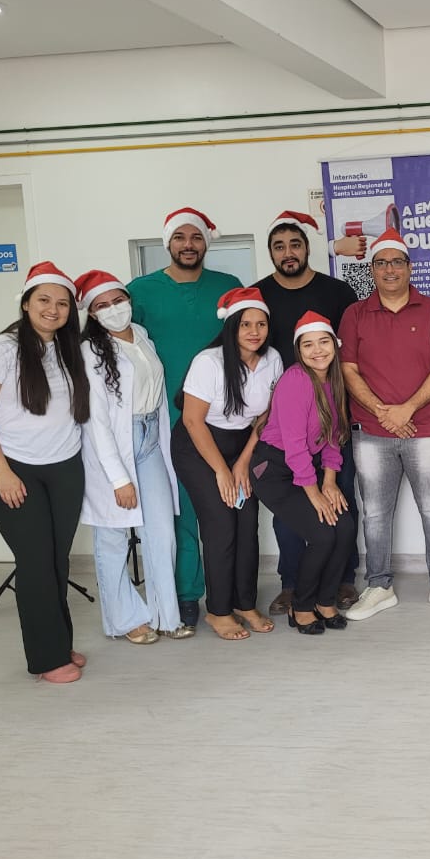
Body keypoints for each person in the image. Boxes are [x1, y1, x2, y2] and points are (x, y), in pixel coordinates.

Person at [0, 262, 91, 683]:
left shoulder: (68, 348)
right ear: (25, 303)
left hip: (64, 468)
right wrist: (2, 473)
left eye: (62, 303)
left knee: (56, 562)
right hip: (14, 470)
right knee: (35, 563)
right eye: (44, 300)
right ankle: (46, 660)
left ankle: (58, 644)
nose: (53, 309)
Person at [338, 229, 430, 618]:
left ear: (410, 268)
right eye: (381, 263)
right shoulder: (354, 314)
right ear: (372, 270)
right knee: (376, 512)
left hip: (426, 427)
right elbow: (348, 369)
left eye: (397, 262)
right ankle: (379, 587)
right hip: (371, 431)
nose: (390, 270)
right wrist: (383, 411)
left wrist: (407, 409)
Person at [128, 207, 242, 633]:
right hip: (166, 418)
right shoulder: (141, 291)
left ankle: (228, 595)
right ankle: (187, 594)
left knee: (225, 510)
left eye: (195, 237)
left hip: (224, 417)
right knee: (181, 510)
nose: (188, 245)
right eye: (180, 237)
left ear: (205, 243)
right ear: (168, 244)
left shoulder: (227, 286)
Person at [253, 210, 361, 615]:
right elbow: (241, 343)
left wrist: (325, 481)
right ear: (271, 252)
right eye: (279, 246)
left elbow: (355, 345)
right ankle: (293, 585)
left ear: (307, 248)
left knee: (340, 501)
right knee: (296, 514)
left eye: (295, 244)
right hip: (286, 432)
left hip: (328, 422)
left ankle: (340, 581)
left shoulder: (337, 291)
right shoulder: (259, 294)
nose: (288, 252)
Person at [75, 270, 186, 646]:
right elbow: (96, 421)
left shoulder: (141, 335)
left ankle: (165, 615)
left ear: (128, 300)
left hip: (150, 439)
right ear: (92, 313)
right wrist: (119, 478)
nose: (113, 309)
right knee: (113, 537)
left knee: (161, 532)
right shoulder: (89, 352)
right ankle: (125, 620)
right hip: (112, 448)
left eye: (118, 300)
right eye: (102, 306)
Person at [171, 287, 283, 640]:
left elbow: (266, 415)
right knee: (221, 522)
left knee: (247, 522)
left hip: (241, 446)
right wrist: (221, 469)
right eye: (245, 324)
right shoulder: (209, 362)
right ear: (231, 326)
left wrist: (243, 461)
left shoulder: (273, 359)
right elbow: (192, 421)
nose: (254, 331)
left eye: (261, 324)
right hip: (198, 446)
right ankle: (218, 611)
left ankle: (244, 603)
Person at [251, 312, 355, 636]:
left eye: (323, 342)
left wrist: (330, 482)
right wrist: (314, 493)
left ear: (334, 345)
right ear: (299, 350)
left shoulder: (334, 381)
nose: (317, 350)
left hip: (305, 468)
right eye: (308, 345)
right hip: (274, 470)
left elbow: (334, 437)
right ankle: (302, 606)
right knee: (323, 534)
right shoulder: (296, 380)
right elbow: (295, 446)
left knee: (345, 527)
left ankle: (325, 601)